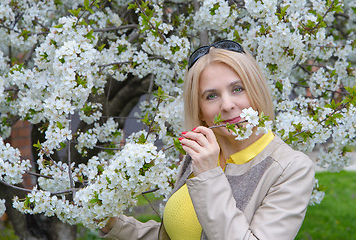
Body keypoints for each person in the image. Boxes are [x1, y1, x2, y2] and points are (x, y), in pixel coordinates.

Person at [99, 40, 315, 240]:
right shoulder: (202, 153)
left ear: (256, 92)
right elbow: (180, 234)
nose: (228, 105)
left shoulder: (290, 168)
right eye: (211, 96)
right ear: (200, 110)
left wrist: (210, 176)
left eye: (237, 89)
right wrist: (116, 226)